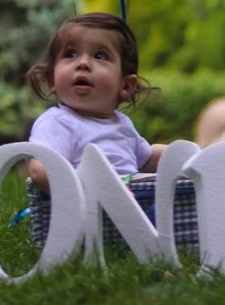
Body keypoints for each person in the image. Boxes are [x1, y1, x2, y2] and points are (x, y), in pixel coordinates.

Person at [25, 12, 164, 193]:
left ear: (126, 86)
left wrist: (185, 156)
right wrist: (89, 190)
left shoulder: (121, 123)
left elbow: (146, 161)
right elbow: (41, 170)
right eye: (71, 54)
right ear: (52, 80)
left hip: (131, 215)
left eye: (100, 56)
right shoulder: (59, 123)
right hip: (85, 214)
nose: (83, 63)